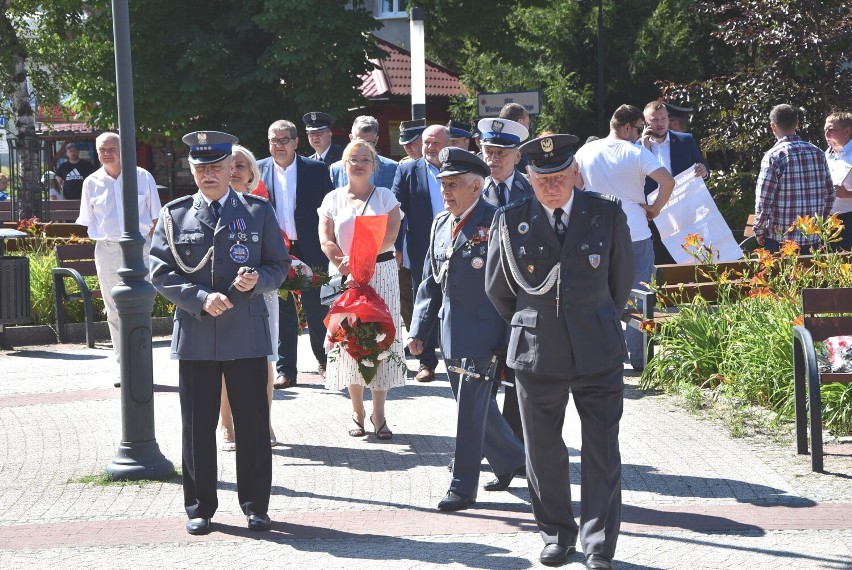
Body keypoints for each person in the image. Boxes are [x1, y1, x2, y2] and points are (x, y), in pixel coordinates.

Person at [485, 134, 634, 569]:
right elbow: (500, 289)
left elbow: (619, 282)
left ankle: (598, 544)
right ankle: (556, 533)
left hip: (597, 350)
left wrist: (593, 317)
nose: (550, 184)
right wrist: (537, 322)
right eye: (541, 176)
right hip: (538, 351)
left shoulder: (605, 214)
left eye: (558, 175)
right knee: (543, 449)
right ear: (528, 178)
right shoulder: (511, 220)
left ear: (575, 174)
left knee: (602, 449)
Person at [149, 130, 290, 536]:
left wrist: (258, 279)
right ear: (191, 170)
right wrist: (197, 297)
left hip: (245, 333)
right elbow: (159, 271)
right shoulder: (176, 215)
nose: (208, 173)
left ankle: (255, 506)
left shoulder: (257, 211)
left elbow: (279, 266)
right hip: (196, 333)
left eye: (216, 166)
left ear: (233, 168)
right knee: (197, 426)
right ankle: (199, 506)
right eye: (200, 167)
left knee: (251, 423)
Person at [407, 147, 526, 512]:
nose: (446, 191)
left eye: (454, 184)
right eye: (443, 184)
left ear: (476, 187)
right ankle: (516, 461)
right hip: (450, 334)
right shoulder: (441, 223)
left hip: (485, 334)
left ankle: (462, 486)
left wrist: (508, 340)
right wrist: (418, 331)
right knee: (477, 408)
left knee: (469, 411)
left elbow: (514, 287)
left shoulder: (498, 221)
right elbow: (430, 282)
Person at [575, 104, 674, 372]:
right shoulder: (636, 152)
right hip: (635, 231)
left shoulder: (585, 151)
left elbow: (575, 184)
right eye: (639, 128)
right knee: (639, 296)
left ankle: (600, 356)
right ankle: (640, 360)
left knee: (596, 294)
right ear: (627, 127)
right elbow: (668, 181)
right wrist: (655, 208)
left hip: (594, 233)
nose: (641, 133)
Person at [318, 139, 404, 440]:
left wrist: (363, 260)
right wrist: (342, 261)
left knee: (380, 338)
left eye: (365, 158)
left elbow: (392, 233)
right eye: (353, 158)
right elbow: (325, 239)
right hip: (343, 275)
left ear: (374, 164)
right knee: (348, 341)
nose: (358, 163)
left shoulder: (386, 196)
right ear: (344, 164)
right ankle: (356, 412)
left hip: (379, 272)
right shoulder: (332, 198)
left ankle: (379, 413)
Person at [76, 132, 162, 386]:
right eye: (102, 149)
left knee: (142, 307)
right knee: (114, 310)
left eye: (112, 148)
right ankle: (124, 368)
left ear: (123, 150)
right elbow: (89, 221)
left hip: (140, 249)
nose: (107, 153)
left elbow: (155, 219)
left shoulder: (143, 177)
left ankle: (142, 365)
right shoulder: (91, 182)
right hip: (108, 250)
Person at [258, 120, 333, 388]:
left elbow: (329, 209)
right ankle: (286, 369)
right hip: (276, 249)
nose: (278, 146)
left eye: (284, 140)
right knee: (282, 308)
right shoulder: (258, 169)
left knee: (317, 307)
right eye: (273, 140)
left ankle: (325, 362)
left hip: (311, 247)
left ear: (295, 141)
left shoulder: (316, 169)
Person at [218, 144, 279, 451]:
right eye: (227, 165)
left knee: (263, 363)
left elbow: (276, 260)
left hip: (259, 298)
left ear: (252, 174)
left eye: (240, 165)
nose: (233, 170)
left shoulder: (261, 209)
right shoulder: (209, 210)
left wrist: (260, 279)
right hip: (222, 299)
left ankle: (263, 421)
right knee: (226, 360)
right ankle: (227, 425)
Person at [477, 116, 532, 442]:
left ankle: (516, 446)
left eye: (501, 152)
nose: (493, 159)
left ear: (517, 155)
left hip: (524, 299)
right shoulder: (473, 188)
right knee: (482, 380)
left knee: (519, 377)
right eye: (488, 151)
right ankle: (490, 447)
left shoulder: (533, 187)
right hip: (483, 301)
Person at [392, 124, 452, 382]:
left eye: (435, 143)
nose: (429, 148)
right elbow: (396, 212)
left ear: (448, 144)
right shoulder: (407, 170)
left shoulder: (459, 166)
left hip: (457, 245)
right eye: (426, 142)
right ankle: (426, 362)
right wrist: (395, 246)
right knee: (423, 301)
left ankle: (457, 359)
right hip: (421, 249)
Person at [754, 104, 834, 254]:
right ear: (797, 122)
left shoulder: (774, 156)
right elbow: (829, 193)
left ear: (773, 126)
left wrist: (759, 229)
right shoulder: (817, 152)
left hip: (781, 240)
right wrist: (820, 223)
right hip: (812, 238)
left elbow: (764, 200)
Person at [640, 100, 710, 264]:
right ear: (646, 123)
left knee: (686, 260)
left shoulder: (686, 140)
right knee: (658, 262)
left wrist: (704, 171)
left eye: (663, 119)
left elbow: (704, 168)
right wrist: (644, 148)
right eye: (655, 120)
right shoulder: (636, 147)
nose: (660, 123)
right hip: (653, 215)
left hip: (684, 211)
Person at [329, 115, 399, 189]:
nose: (363, 147)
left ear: (376, 140)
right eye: (358, 142)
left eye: (368, 143)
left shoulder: (393, 168)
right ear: (351, 138)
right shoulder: (336, 169)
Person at [824, 112, 852, 250]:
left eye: (831, 130)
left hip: (849, 221)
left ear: (846, 131)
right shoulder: (825, 156)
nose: (826, 134)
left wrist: (847, 194)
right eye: (825, 130)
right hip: (826, 221)